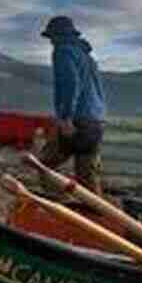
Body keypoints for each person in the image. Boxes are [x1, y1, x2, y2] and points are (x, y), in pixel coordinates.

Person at [37, 15, 107, 194]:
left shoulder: (63, 51)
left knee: (45, 164)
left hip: (77, 120)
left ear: (57, 35)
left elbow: (70, 84)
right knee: (88, 176)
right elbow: (97, 90)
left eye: (51, 37)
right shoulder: (87, 57)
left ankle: (60, 205)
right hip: (96, 121)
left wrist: (66, 117)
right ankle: (98, 217)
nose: (51, 42)